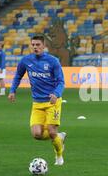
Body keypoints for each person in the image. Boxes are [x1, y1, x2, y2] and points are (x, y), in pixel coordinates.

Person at [8, 35, 66, 166]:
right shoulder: (26, 61)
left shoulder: (53, 61)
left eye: (38, 45)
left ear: (44, 46)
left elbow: (61, 82)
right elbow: (18, 76)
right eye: (33, 45)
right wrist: (12, 90)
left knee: (51, 131)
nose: (35, 47)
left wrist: (56, 94)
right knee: (37, 134)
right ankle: (59, 136)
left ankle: (59, 156)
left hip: (53, 102)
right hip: (37, 103)